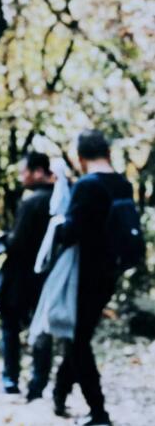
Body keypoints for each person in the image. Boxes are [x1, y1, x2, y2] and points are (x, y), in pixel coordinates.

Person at [52, 130, 136, 426]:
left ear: (80, 157)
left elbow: (71, 232)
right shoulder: (123, 184)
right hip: (110, 272)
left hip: (84, 274)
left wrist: (58, 226)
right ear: (108, 152)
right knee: (79, 335)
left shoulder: (87, 186)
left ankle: (98, 411)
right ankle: (59, 394)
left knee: (78, 340)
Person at [0, 152, 54, 394]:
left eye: (24, 172)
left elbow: (18, 241)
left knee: (10, 326)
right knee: (42, 328)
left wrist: (4, 242)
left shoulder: (32, 202)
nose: (21, 177)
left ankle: (11, 379)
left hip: (20, 275)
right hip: (48, 275)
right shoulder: (62, 199)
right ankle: (39, 382)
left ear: (38, 171)